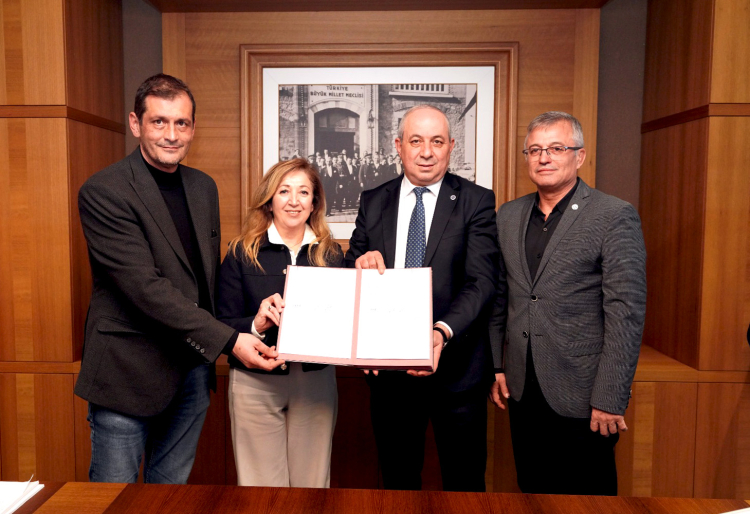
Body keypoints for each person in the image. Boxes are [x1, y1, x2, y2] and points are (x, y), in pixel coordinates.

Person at [75, 74, 282, 484]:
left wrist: (249, 323)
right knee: (114, 499)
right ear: (135, 123)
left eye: (181, 123)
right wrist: (230, 340)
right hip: (127, 373)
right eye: (159, 121)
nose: (171, 135)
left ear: (192, 128)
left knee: (170, 496)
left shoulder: (203, 187)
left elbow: (204, 283)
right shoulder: (105, 191)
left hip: (191, 371)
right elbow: (144, 288)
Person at [489, 111, 646, 495]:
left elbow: (626, 313)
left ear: (580, 156)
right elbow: (500, 296)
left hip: (584, 393)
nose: (544, 158)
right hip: (523, 389)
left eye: (556, 148)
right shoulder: (508, 215)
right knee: (532, 491)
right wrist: (497, 364)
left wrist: (610, 397)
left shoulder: (613, 215)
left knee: (588, 499)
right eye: (535, 150)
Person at [346, 105, 499, 492]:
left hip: (458, 371)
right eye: (416, 141)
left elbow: (482, 281)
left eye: (437, 142)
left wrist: (441, 332)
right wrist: (359, 264)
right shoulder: (373, 200)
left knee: (465, 486)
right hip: (390, 376)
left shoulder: (476, 201)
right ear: (399, 146)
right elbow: (352, 270)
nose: (426, 152)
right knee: (397, 483)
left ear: (451, 146)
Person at [217, 158, 343, 487]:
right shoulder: (240, 252)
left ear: (314, 203)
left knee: (312, 488)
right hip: (254, 382)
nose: (293, 201)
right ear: (269, 200)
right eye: (284, 191)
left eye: (304, 192)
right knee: (260, 491)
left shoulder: (332, 255)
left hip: (315, 383)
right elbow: (220, 323)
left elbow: (344, 323)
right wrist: (256, 325)